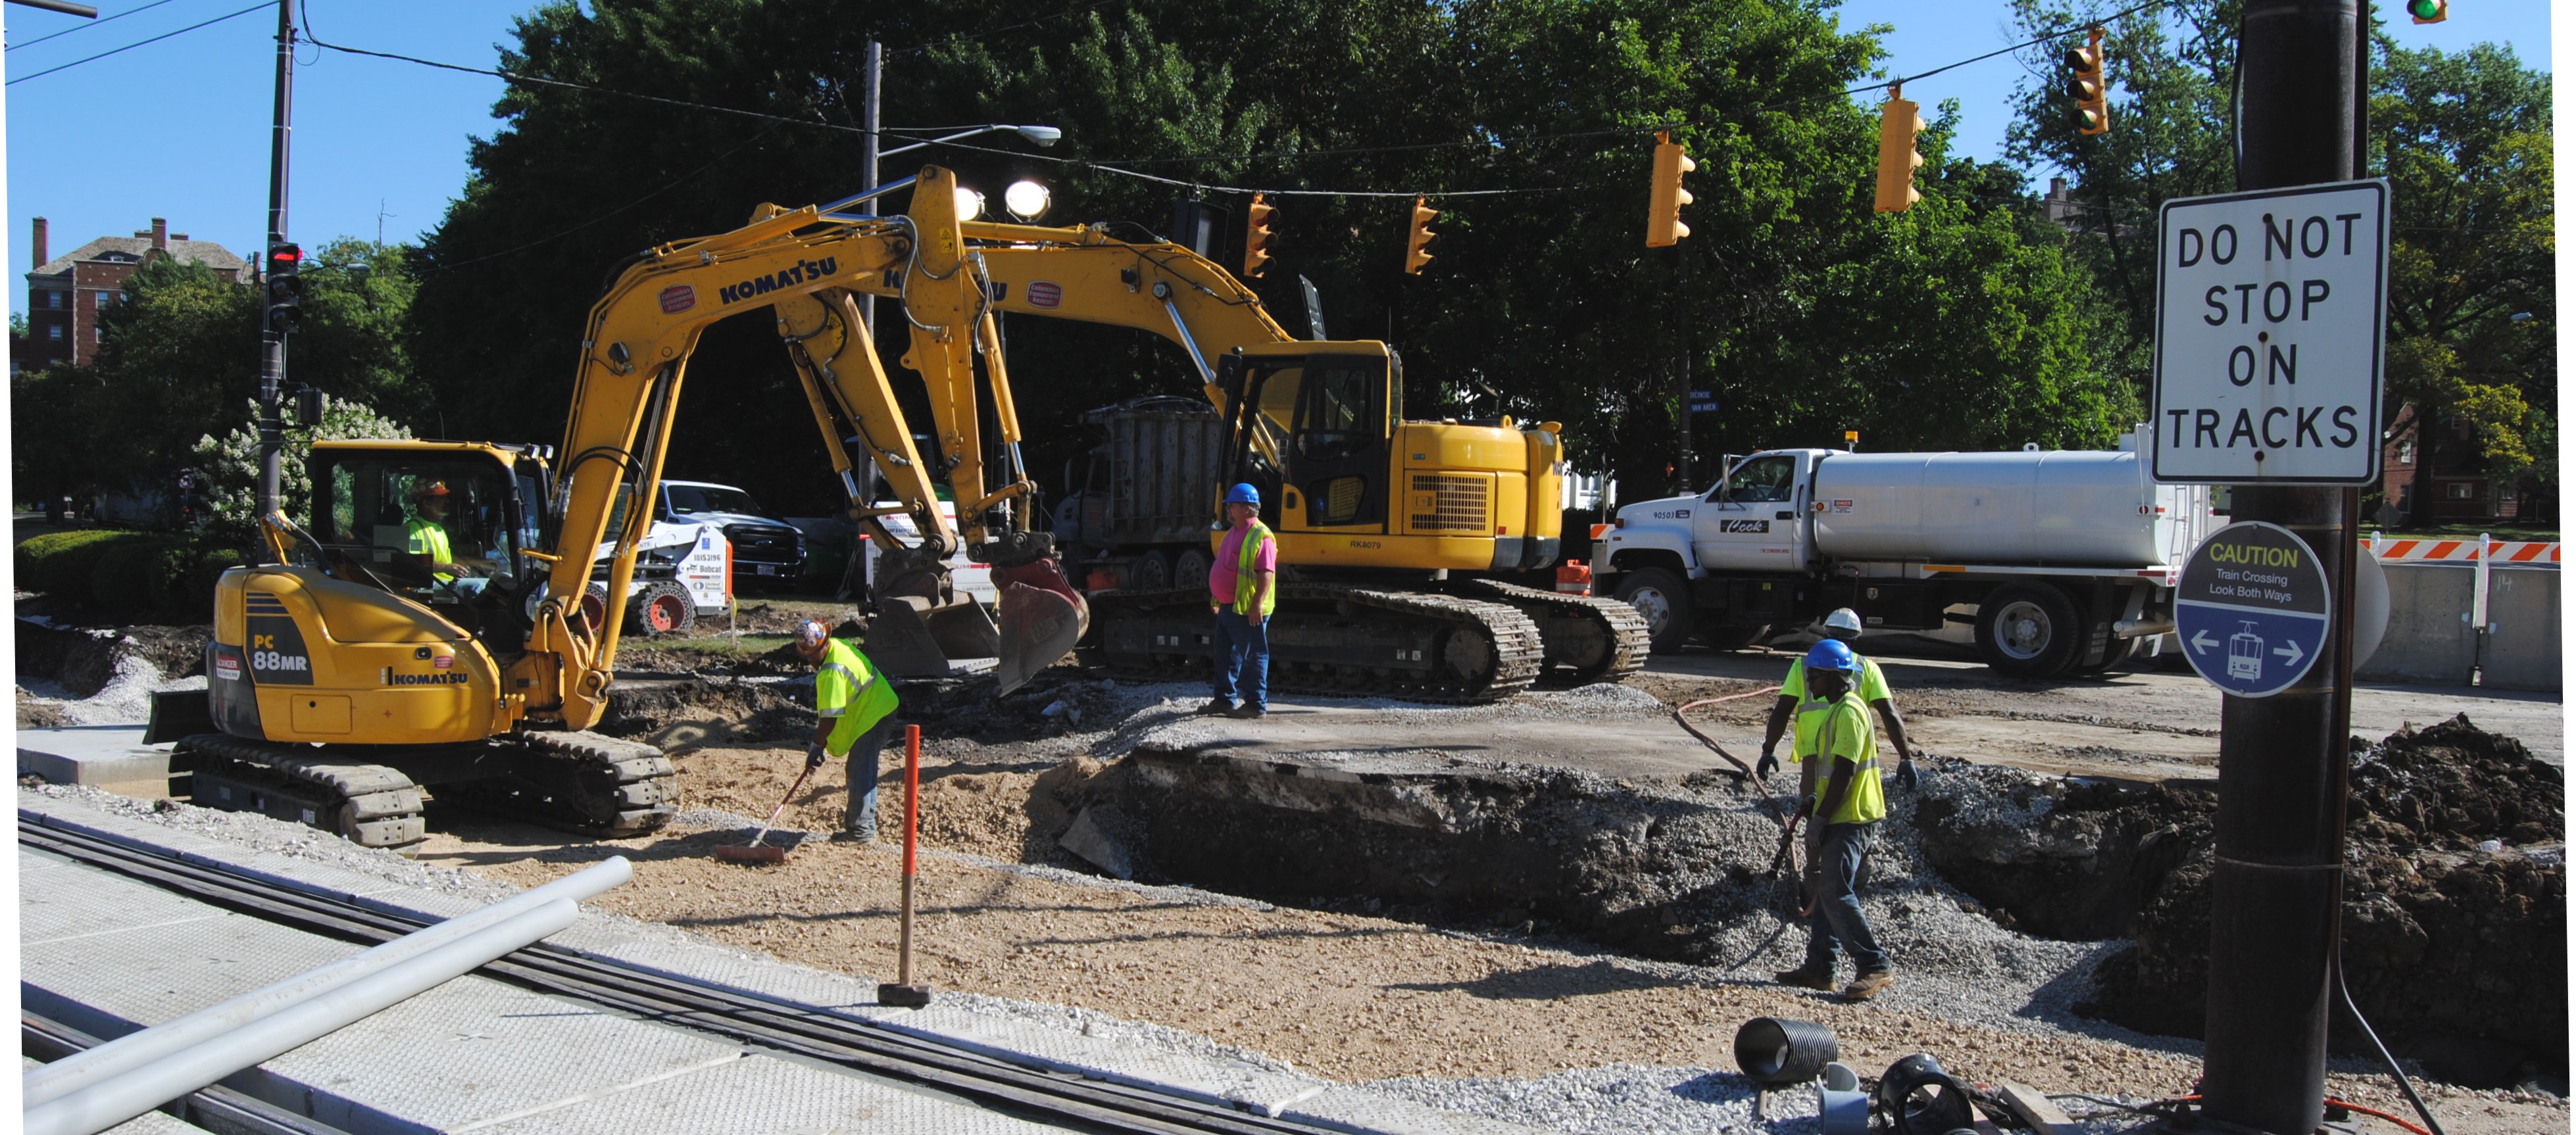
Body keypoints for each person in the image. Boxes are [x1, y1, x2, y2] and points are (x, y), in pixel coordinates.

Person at [1775, 639, 1895, 1001]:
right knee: (1829, 890)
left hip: (1853, 816)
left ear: (1831, 676)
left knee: (1834, 890)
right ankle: (1820, 969)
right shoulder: (1836, 709)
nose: (1809, 683)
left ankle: (1874, 964)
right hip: (1840, 813)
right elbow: (1832, 772)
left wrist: (1821, 818)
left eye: (1814, 676)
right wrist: (1816, 803)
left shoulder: (1850, 713)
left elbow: (1844, 771)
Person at [1756, 608, 1916, 790]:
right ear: (1854, 640)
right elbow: (1889, 713)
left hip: (1815, 753)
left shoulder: (1803, 666)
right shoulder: (1868, 668)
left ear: (1826, 635)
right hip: (1854, 752)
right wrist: (1905, 757)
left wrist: (1768, 750)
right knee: (1851, 808)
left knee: (1816, 809)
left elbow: (1782, 711)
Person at [796, 619, 901, 842]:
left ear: (823, 646)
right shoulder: (838, 645)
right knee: (864, 767)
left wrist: (816, 747)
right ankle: (863, 827)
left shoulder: (831, 672)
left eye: (811, 654)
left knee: (859, 769)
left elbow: (829, 719)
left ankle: (861, 831)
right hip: (879, 705)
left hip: (875, 713)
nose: (809, 660)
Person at [1199, 482, 1277, 720]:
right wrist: (1217, 596)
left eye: (1232, 505)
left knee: (1253, 654)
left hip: (1246, 609)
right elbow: (1224, 565)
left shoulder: (1261, 536)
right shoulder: (1233, 532)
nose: (1228, 509)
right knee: (1225, 654)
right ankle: (1224, 699)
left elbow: (1266, 573)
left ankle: (1255, 704)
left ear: (1246, 508)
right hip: (1228, 607)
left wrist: (1256, 605)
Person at [405, 481, 473, 587]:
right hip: (429, 584)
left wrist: (481, 564)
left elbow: (447, 560)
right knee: (478, 586)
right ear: (427, 504)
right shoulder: (413, 529)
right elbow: (411, 563)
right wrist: (446, 568)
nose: (447, 501)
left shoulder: (439, 529)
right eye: (441, 498)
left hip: (447, 583)